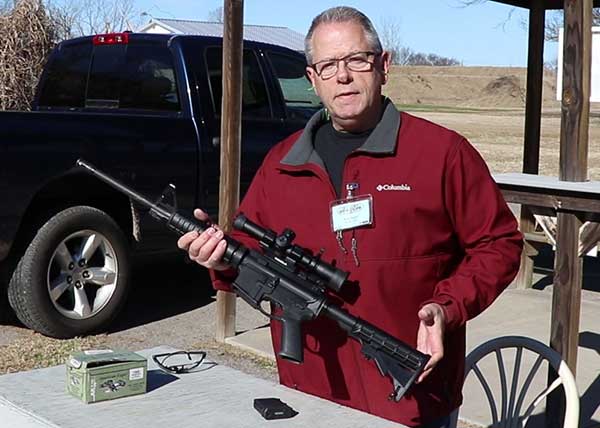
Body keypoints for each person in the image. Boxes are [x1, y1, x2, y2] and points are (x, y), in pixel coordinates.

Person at [177, 6, 523, 428]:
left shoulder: (442, 153)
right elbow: (248, 248)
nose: (342, 76)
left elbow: (499, 243)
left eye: (356, 60)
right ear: (312, 79)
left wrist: (446, 307)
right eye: (327, 65)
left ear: (383, 66)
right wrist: (217, 255)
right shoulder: (281, 163)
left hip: (413, 395)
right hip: (310, 393)